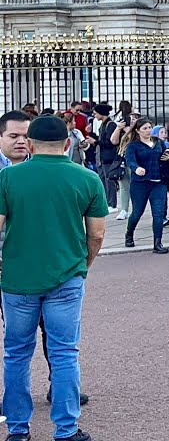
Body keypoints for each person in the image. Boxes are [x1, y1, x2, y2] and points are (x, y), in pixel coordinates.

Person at [0, 115, 108, 441]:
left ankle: (18, 429)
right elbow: (98, 234)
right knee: (63, 353)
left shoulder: (8, 178)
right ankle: (66, 428)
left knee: (16, 353)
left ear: (30, 144)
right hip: (66, 275)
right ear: (67, 143)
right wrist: (82, 265)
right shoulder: (87, 179)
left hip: (18, 278)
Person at [122, 118, 169, 254]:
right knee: (137, 212)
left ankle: (158, 243)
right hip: (140, 184)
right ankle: (129, 234)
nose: (148, 130)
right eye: (145, 128)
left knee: (158, 214)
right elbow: (130, 160)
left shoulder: (158, 143)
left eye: (150, 127)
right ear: (138, 131)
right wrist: (136, 168)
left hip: (158, 183)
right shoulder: (133, 145)